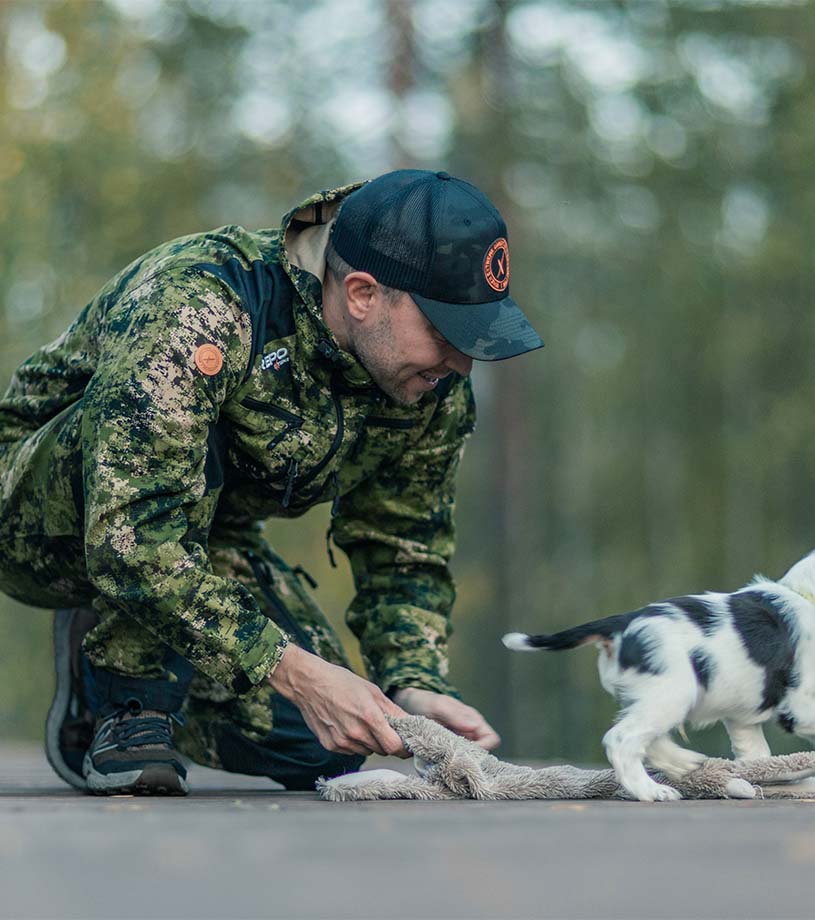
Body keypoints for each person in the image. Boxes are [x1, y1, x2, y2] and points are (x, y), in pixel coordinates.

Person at [0, 169, 543, 795]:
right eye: (447, 333)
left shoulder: (427, 382)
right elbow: (132, 532)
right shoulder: (204, 305)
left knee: (324, 745)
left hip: (202, 535)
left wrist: (413, 681)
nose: (462, 362)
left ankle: (147, 663)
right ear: (363, 294)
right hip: (49, 514)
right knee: (177, 483)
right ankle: (129, 700)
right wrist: (294, 670)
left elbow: (404, 540)